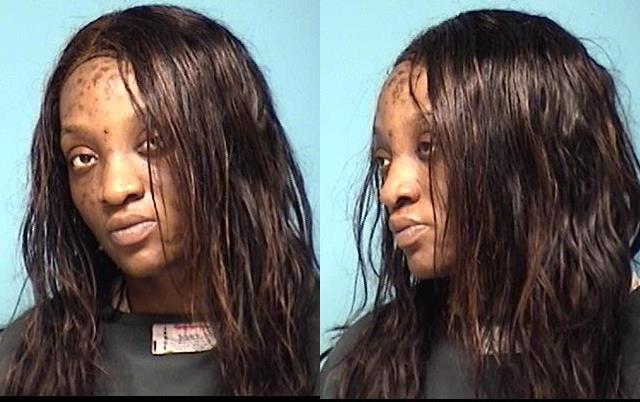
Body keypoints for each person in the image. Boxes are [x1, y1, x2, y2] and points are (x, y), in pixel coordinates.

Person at [318, 9, 640, 398]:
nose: (390, 190)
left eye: (428, 147)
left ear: (527, 155)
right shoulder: (364, 367)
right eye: (383, 160)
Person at [0, 4, 319, 396]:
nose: (114, 189)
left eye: (152, 143)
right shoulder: (24, 361)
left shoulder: (310, 340)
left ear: (228, 147)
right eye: (83, 158)